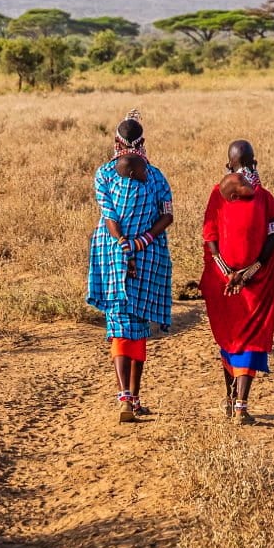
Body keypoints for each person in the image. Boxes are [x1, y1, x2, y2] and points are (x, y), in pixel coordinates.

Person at [87, 111, 174, 423]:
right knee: (139, 327)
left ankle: (125, 396)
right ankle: (134, 397)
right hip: (148, 254)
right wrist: (142, 241)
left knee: (119, 324)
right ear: (143, 143)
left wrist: (124, 243)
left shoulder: (104, 174)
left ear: (115, 142)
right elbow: (167, 216)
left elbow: (110, 216)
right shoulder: (157, 177)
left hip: (112, 253)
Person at [200, 139, 274, 424]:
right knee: (251, 338)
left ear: (229, 165)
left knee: (231, 336)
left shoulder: (216, 195)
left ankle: (229, 399)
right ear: (254, 162)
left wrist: (227, 273)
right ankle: (241, 407)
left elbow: (209, 236)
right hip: (258, 280)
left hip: (223, 281)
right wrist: (251, 271)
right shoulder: (266, 198)